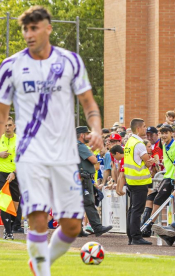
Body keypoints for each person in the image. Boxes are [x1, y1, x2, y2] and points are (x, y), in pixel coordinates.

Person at [0, 6, 104, 275]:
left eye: (34, 28)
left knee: (71, 227)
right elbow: (1, 115)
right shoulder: (11, 66)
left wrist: (96, 128)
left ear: (48, 28)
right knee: (38, 218)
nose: (29, 34)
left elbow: (89, 104)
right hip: (29, 153)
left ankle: (38, 261)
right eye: (25, 29)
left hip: (64, 156)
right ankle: (42, 272)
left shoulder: (70, 61)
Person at [77, 126, 113, 237]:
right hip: (84, 178)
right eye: (87, 134)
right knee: (89, 203)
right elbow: (94, 160)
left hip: (80, 178)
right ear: (82, 135)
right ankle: (97, 227)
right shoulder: (80, 146)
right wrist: (92, 153)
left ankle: (77, 229)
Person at [123, 118, 154, 245]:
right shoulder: (139, 143)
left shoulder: (129, 141)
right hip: (139, 180)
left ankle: (131, 236)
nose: (146, 129)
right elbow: (147, 161)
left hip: (130, 179)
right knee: (137, 210)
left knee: (132, 209)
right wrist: (151, 161)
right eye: (144, 126)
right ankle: (136, 237)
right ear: (138, 128)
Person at [0, 116, 19, 240]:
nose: (7, 128)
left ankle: (9, 228)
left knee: (15, 205)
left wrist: (14, 174)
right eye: (5, 125)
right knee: (4, 202)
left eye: (9, 125)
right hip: (1, 174)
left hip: (15, 175)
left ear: (14, 126)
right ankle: (8, 231)